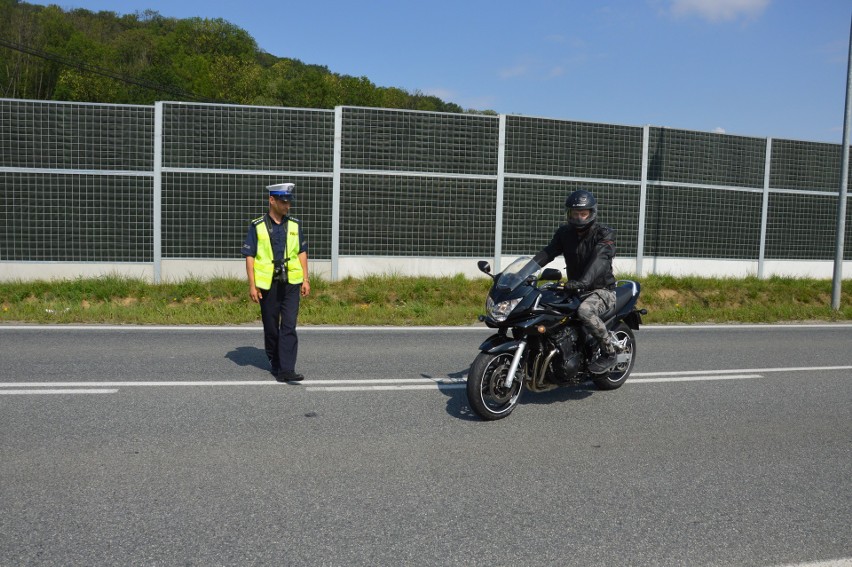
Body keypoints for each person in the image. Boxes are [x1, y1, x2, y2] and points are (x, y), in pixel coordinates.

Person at [532, 189, 618, 374]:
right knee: (543, 307)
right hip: (574, 288)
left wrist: (583, 282)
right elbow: (548, 252)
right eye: (575, 213)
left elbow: (600, 260)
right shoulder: (565, 233)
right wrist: (525, 272)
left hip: (601, 290)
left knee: (585, 312)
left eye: (583, 213)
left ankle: (608, 352)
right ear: (569, 213)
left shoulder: (604, 234)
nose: (579, 218)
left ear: (591, 212)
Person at [241, 182, 310, 382]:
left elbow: (302, 252)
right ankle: (275, 361)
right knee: (271, 327)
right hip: (267, 284)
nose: (287, 206)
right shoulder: (257, 226)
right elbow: (250, 256)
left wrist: (306, 279)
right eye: (283, 202)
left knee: (289, 325)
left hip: (291, 282)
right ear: (272, 200)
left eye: (289, 202)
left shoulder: (295, 225)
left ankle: (287, 369)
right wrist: (252, 285)